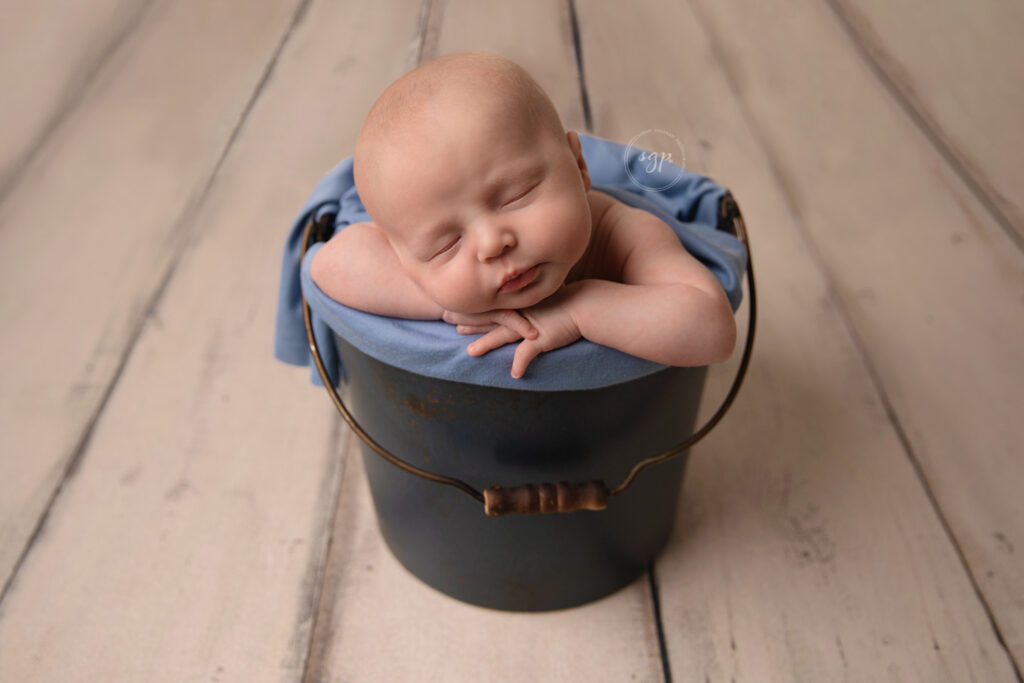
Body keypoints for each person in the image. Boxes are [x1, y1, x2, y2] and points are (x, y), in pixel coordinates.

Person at [310, 52, 736, 379]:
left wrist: (579, 308)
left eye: (516, 195)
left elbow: (711, 328)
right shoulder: (421, 262)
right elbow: (330, 262)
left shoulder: (624, 233)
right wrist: (444, 304)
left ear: (579, 165)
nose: (493, 243)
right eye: (447, 244)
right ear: (404, 258)